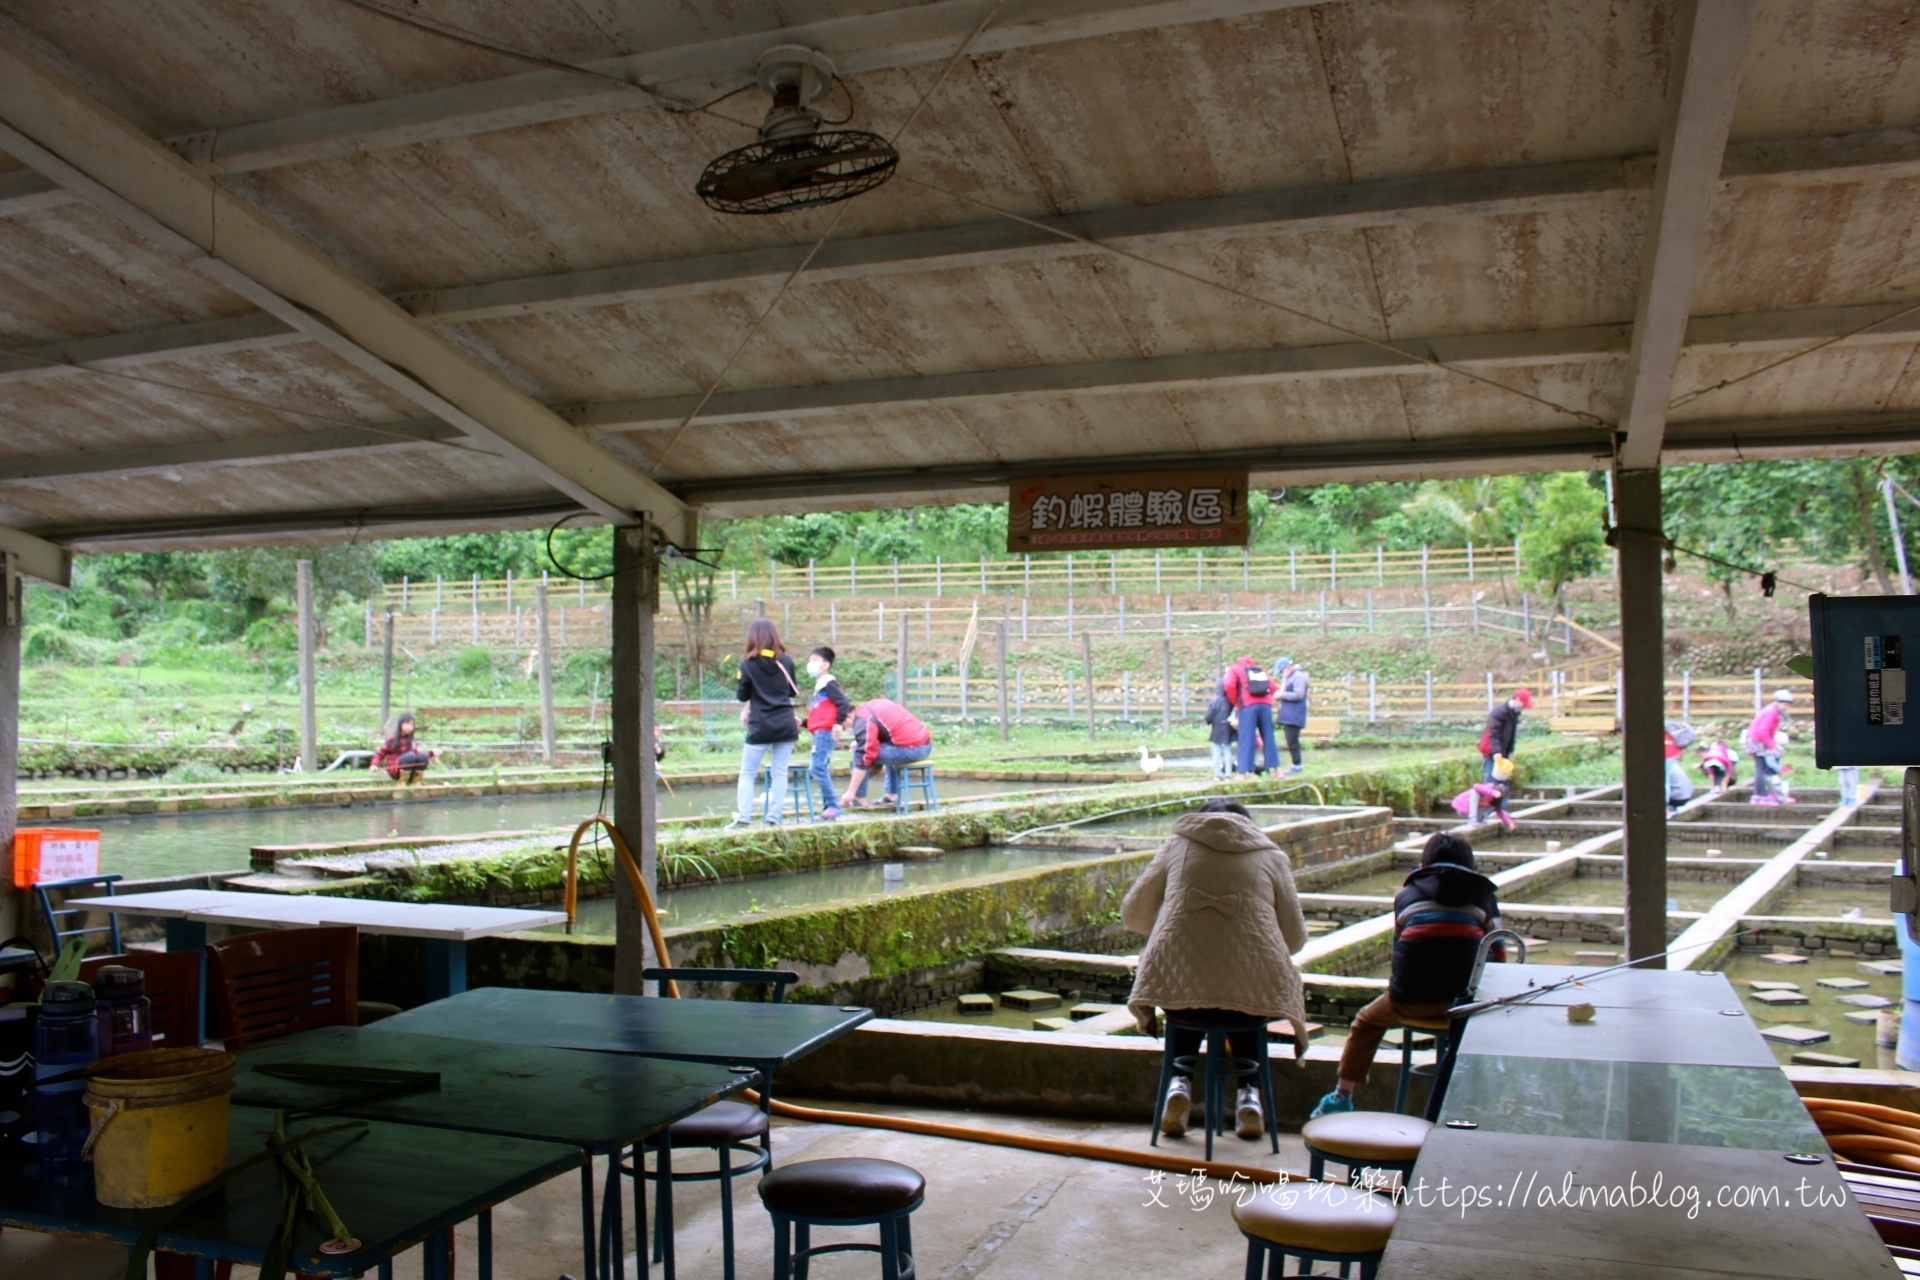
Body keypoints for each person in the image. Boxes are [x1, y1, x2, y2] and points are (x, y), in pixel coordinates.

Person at [1121, 798, 1310, 1142]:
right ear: (1248, 824)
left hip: (1180, 993)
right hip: (1249, 997)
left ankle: (1179, 1083)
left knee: (1189, 984)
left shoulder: (1177, 846)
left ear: (1199, 822)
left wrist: (1169, 922)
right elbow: (1295, 938)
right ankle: (1249, 1094)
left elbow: (1132, 913)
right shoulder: (1272, 856)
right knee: (1243, 991)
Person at [1313, 833, 1504, 1117]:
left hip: (1408, 999)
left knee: (1366, 1022)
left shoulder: (1406, 895)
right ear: (1471, 865)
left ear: (1423, 863)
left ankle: (1342, 1094)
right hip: (1464, 1005)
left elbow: (1399, 952)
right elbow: (1499, 953)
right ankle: (1486, 1098)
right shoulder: (1484, 896)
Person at [727, 619, 800, 830]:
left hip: (761, 725)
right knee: (779, 772)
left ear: (753, 638)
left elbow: (742, 696)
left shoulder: (747, 664)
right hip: (785, 723)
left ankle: (744, 818)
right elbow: (792, 691)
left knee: (748, 772)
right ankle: (773, 818)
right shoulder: (786, 661)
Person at [841, 697, 932, 811]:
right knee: (878, 747)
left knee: (859, 752)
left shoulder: (863, 719)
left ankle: (859, 799)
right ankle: (891, 796)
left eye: (845, 726)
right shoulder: (870, 706)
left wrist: (850, 791)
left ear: (848, 716)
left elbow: (865, 755)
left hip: (913, 749)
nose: (848, 729)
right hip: (924, 744)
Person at [803, 646, 854, 821]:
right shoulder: (820, 686)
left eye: (815, 660)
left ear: (825, 665)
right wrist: (803, 723)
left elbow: (843, 704)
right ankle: (828, 807)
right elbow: (821, 713)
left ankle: (833, 805)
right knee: (820, 767)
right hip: (820, 731)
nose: (811, 664)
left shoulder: (828, 682)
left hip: (825, 731)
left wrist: (838, 724)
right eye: (810, 660)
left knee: (817, 767)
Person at [1225, 654, 1279, 775]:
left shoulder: (1235, 669)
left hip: (1248, 705)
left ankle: (1242, 772)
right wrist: (1268, 699)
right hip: (1265, 705)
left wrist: (1236, 702)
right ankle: (1276, 769)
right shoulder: (1259, 670)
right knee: (1269, 736)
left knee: (1246, 737)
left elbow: (1229, 685)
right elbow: (1273, 686)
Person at [1746, 689, 1795, 806]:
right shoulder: (1772, 713)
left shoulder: (1772, 710)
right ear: (1778, 702)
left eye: (1788, 705)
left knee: (1761, 768)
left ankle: (1759, 795)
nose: (1786, 707)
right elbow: (1763, 731)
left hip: (1756, 741)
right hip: (1758, 742)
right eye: (1784, 704)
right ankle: (1762, 796)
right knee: (1762, 769)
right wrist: (1771, 747)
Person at [1478, 688, 1532, 781]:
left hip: (1503, 750)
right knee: (1491, 780)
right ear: (1518, 700)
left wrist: (1510, 751)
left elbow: (1512, 735)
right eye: (1523, 704)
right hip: (1491, 750)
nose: (1524, 708)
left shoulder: (1514, 714)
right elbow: (1493, 734)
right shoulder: (1498, 712)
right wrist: (1497, 752)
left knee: (1502, 783)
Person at [370, 711, 437, 784]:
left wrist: (431, 753)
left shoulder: (412, 740)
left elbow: (417, 754)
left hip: (410, 770)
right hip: (396, 770)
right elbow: (380, 753)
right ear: (400, 724)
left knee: (422, 756)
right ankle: (402, 782)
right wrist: (374, 764)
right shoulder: (392, 739)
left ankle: (416, 781)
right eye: (407, 724)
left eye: (412, 725)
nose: (410, 727)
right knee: (410, 756)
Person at [1273, 657, 1309, 775]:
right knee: (1290, 740)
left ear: (1287, 667)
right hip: (1289, 715)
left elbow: (1299, 694)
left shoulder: (1298, 676)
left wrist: (1282, 695)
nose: (1282, 674)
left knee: (1292, 741)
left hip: (1295, 714)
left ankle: (1297, 766)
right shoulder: (1288, 677)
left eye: (1282, 671)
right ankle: (1296, 765)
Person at [1203, 676, 1236, 780]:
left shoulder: (1214, 702)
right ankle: (1228, 774)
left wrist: (1209, 721)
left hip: (1217, 728)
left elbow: (1208, 716)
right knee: (1227, 750)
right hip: (1228, 729)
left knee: (1216, 751)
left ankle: (1217, 774)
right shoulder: (1231, 701)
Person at [1664, 726, 1694, 815]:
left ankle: (1666, 809)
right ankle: (1671, 809)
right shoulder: (1671, 761)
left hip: (1678, 797)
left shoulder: (1664, 763)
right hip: (1686, 795)